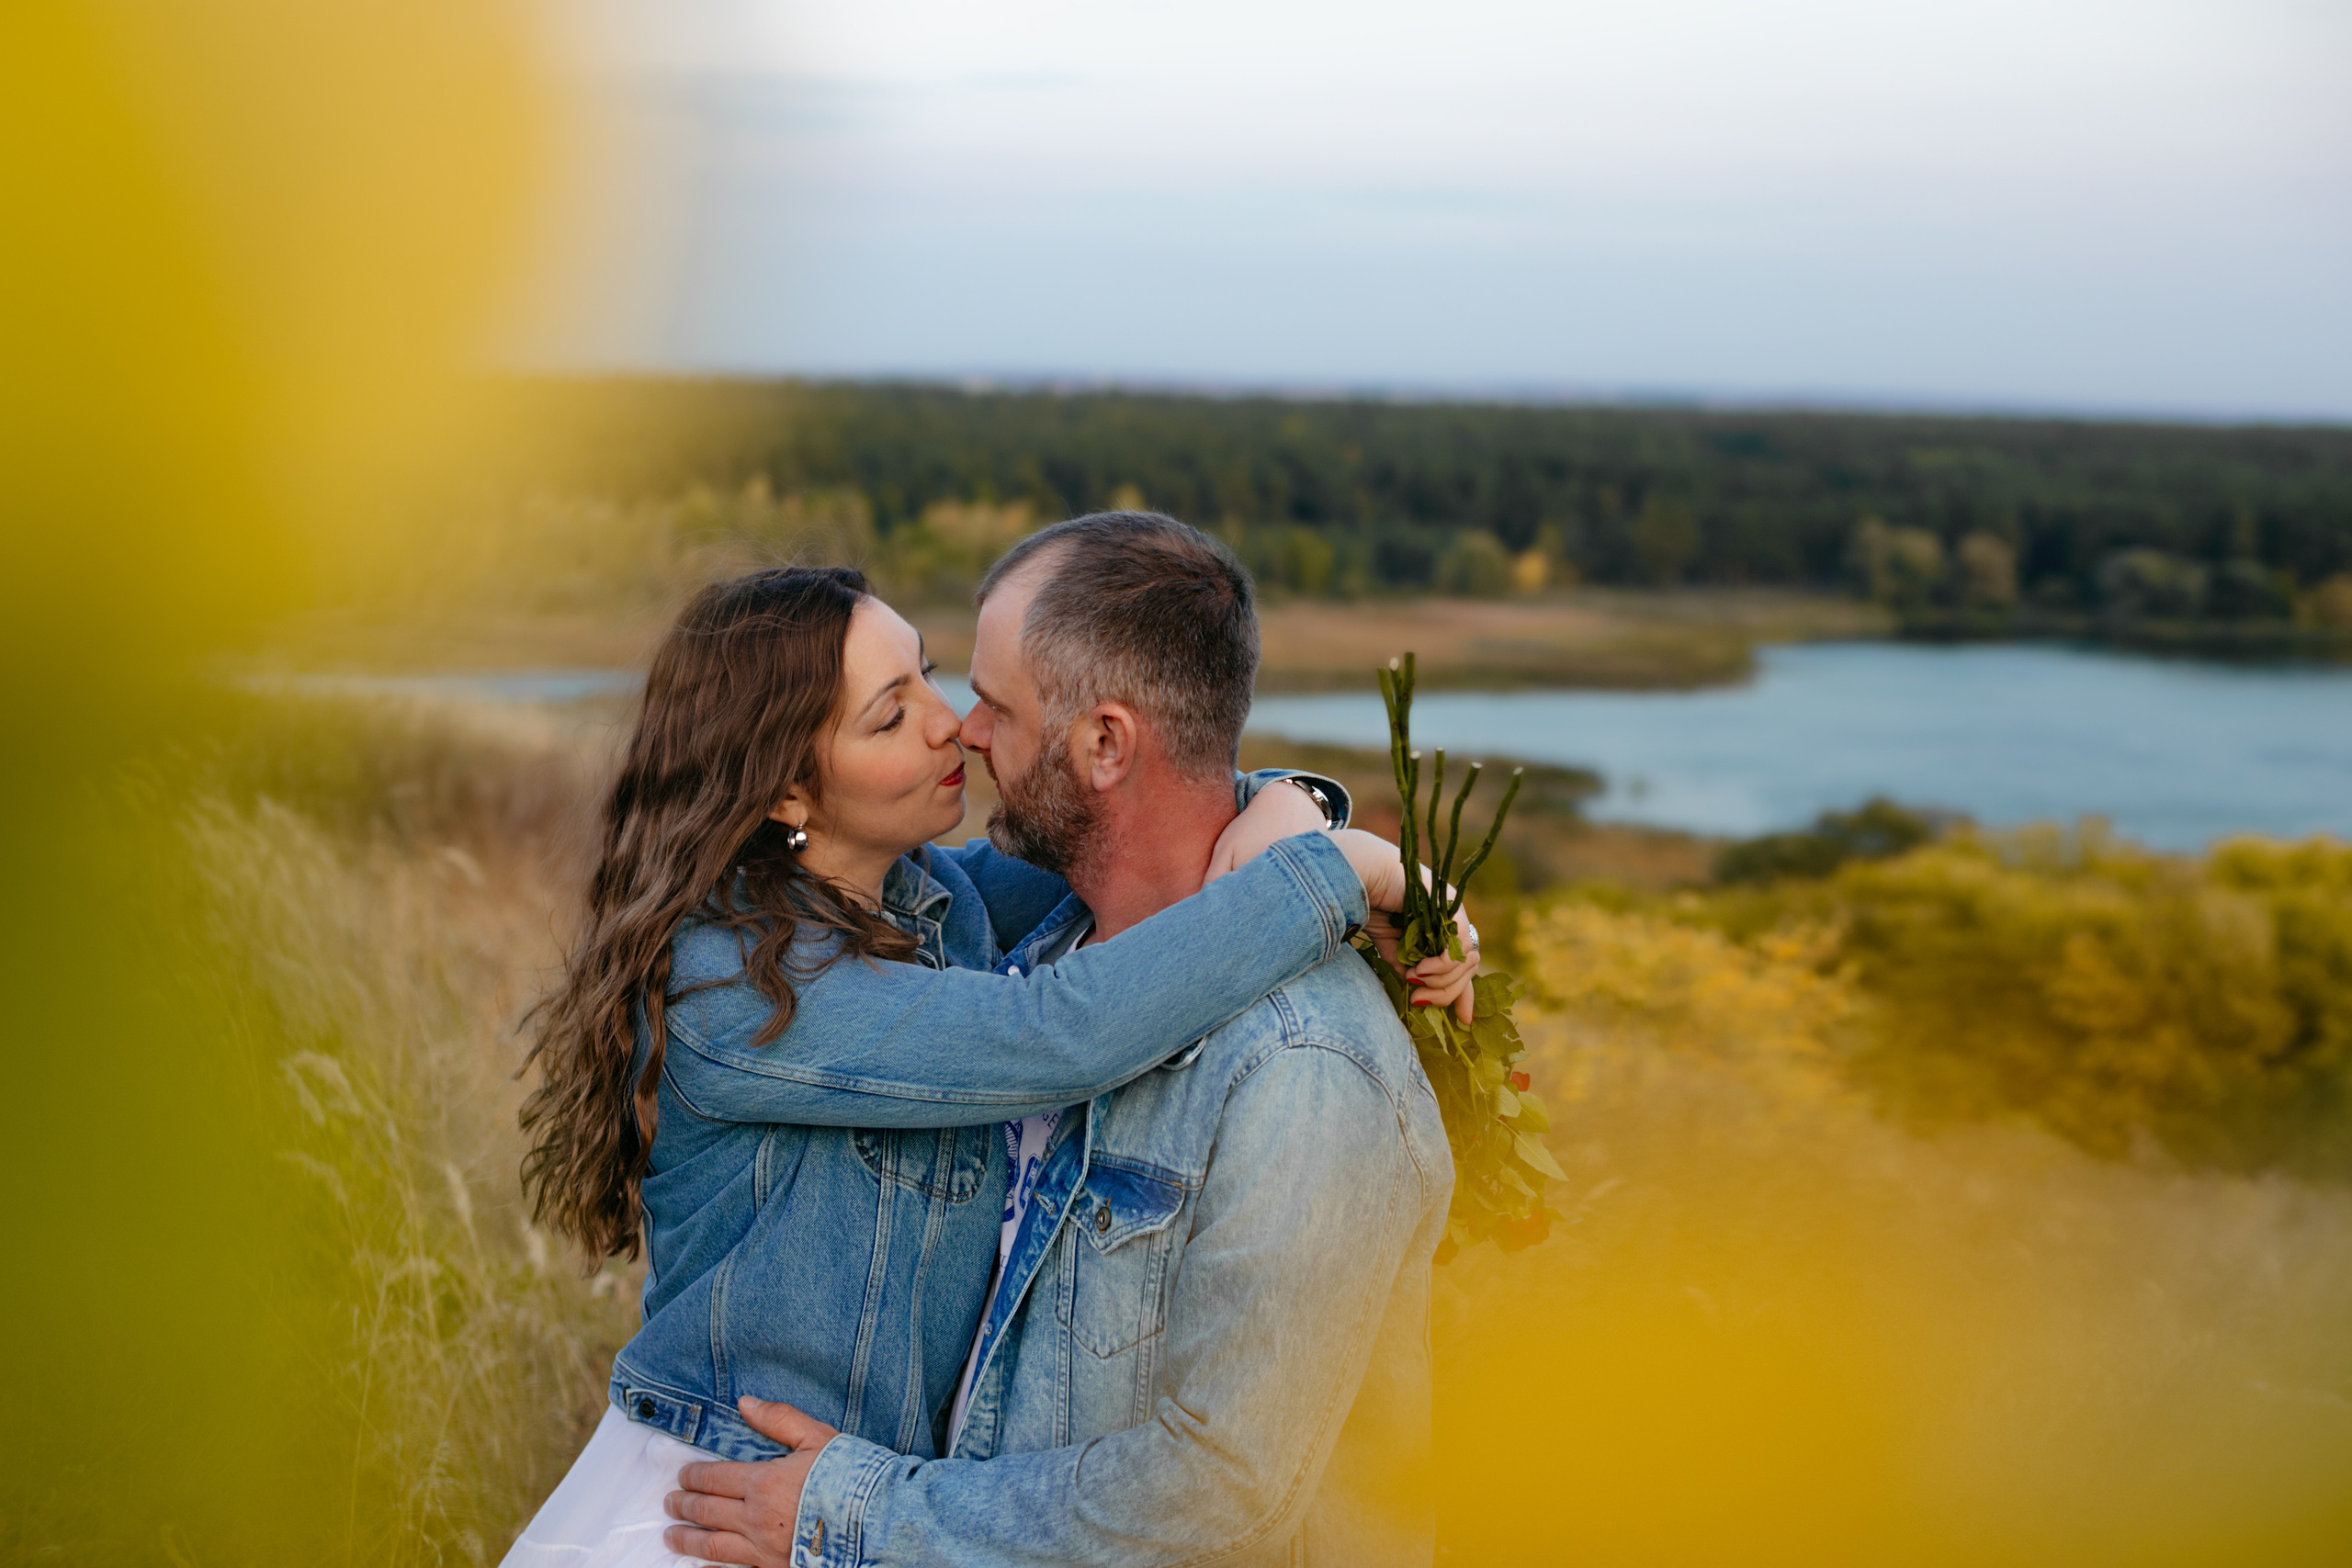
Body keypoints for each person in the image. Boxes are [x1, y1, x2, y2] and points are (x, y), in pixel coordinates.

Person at [503, 562, 1470, 1566]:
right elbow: (1059, 1030)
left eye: (928, 673)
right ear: (788, 788)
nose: (951, 723)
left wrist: (1294, 807)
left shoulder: (928, 899)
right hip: (717, 1507)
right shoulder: (738, 986)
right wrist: (1338, 877)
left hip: (849, 1517)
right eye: (890, 716)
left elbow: (1145, 817)